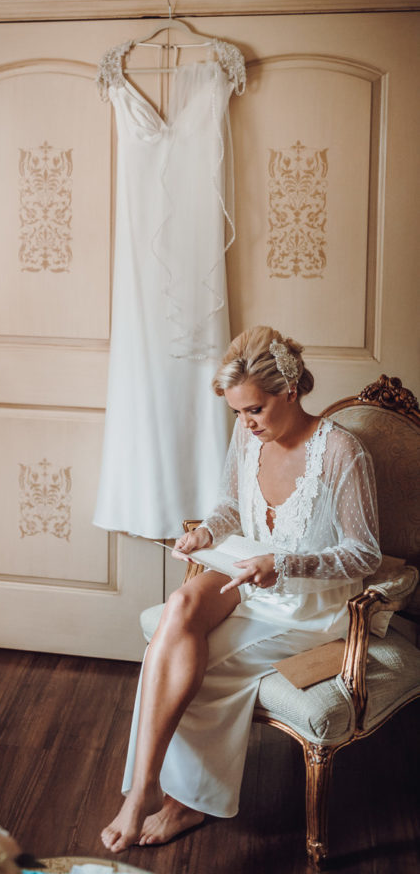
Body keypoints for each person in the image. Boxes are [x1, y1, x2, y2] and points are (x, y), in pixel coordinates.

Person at [101, 325, 381, 852]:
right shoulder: (247, 438)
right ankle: (141, 791)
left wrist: (286, 564)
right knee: (180, 606)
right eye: (236, 412)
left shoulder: (344, 453)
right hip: (250, 572)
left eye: (254, 409)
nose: (246, 423)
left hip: (308, 604)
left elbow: (363, 554)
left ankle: (182, 805)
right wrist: (208, 531)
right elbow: (232, 506)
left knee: (196, 663)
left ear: (290, 390)